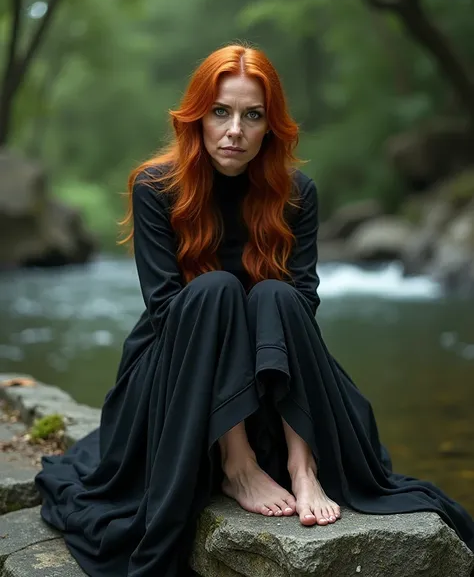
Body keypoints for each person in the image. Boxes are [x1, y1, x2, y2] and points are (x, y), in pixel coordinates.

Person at [35, 43, 474, 577]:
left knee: (278, 294)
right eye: (220, 112)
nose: (234, 131)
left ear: (272, 127)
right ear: (196, 116)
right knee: (215, 290)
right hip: (178, 376)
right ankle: (237, 464)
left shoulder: (296, 194)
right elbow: (165, 309)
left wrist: (303, 451)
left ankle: (301, 463)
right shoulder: (157, 187)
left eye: (252, 115)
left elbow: (301, 309)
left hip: (275, 379)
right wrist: (233, 448)